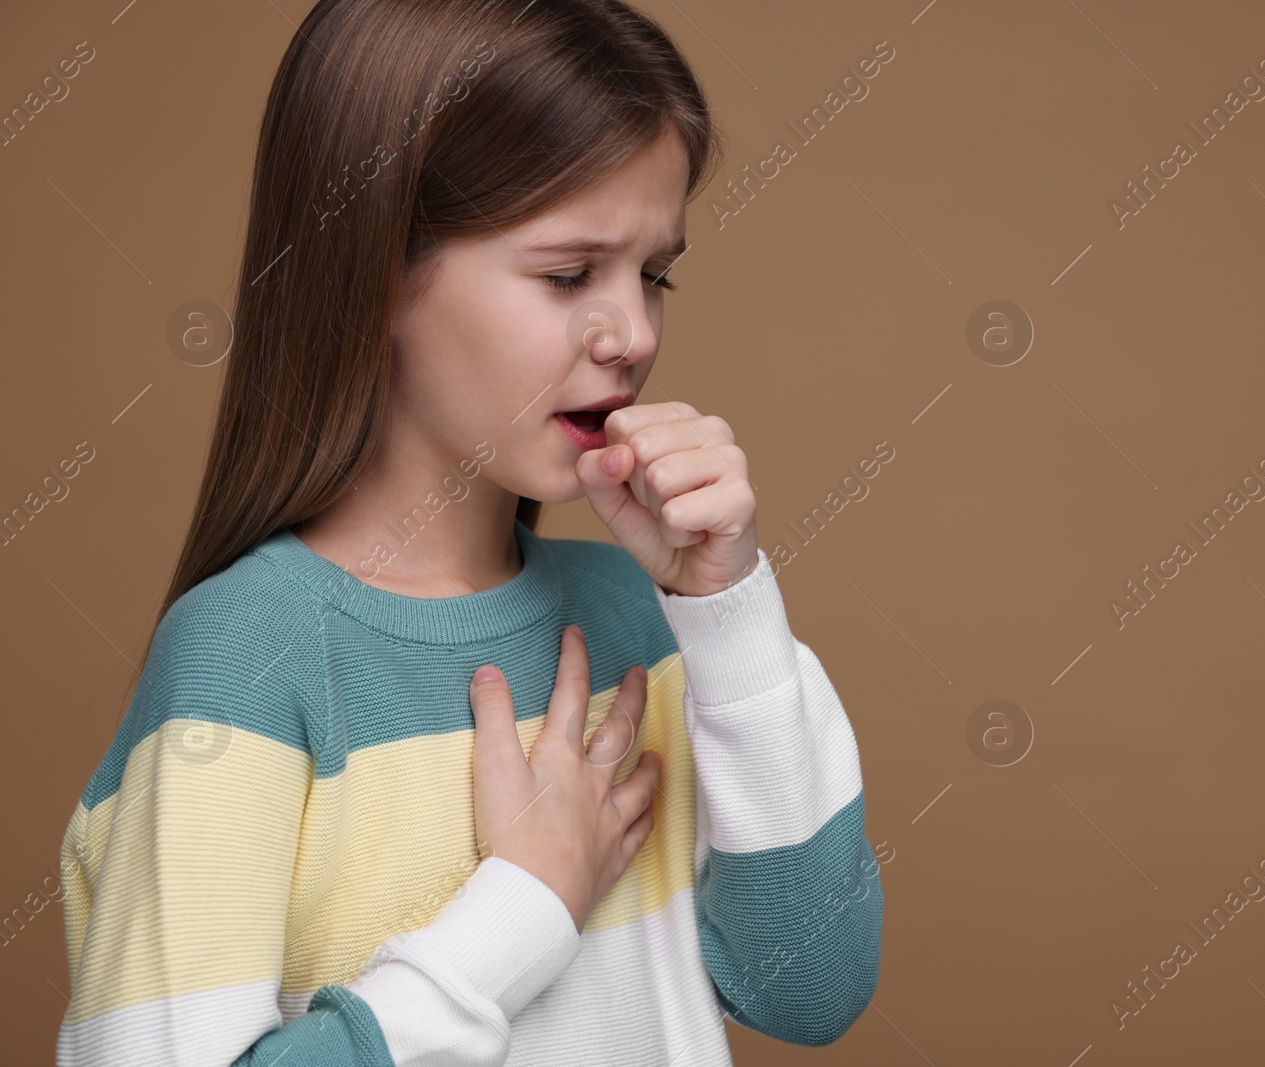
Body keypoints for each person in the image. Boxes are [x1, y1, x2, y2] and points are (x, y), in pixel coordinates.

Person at [53, 1, 882, 1063]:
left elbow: (811, 988)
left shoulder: (643, 613)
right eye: (569, 274)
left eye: (654, 274)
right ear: (376, 266)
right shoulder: (246, 658)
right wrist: (525, 903)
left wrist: (731, 609)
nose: (630, 334)